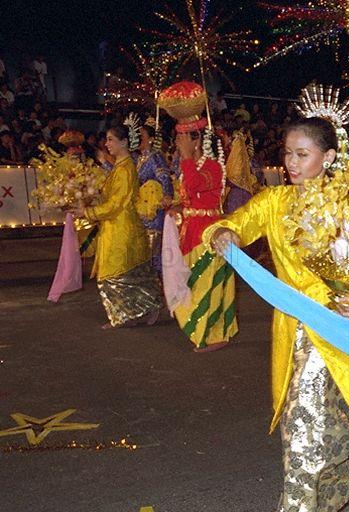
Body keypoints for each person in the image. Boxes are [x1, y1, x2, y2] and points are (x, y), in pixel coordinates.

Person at [206, 116, 349, 511]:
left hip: (336, 323)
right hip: (292, 323)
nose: (292, 162)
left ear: (329, 156)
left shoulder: (348, 204)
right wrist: (225, 233)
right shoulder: (275, 201)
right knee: (325, 411)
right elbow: (238, 223)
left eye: (302, 154)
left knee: (302, 422)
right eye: (288, 153)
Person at [158, 81, 238, 353]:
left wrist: (185, 157)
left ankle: (213, 335)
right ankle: (208, 331)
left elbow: (194, 186)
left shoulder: (213, 167)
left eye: (182, 138)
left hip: (208, 234)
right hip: (189, 232)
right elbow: (188, 196)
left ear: (195, 139)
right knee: (194, 283)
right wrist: (177, 207)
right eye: (178, 138)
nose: (178, 143)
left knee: (207, 285)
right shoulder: (189, 165)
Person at [70, 125, 163, 329]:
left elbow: (116, 204)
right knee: (125, 272)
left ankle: (123, 315)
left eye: (111, 140)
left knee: (113, 274)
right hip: (115, 226)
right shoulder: (120, 167)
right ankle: (145, 306)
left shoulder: (126, 169)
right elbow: (109, 198)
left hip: (122, 226)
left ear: (124, 142)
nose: (107, 144)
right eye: (107, 139)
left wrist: (88, 213)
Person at [136, 119, 173, 274]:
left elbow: (164, 177)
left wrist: (167, 195)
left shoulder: (154, 157)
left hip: (153, 204)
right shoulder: (140, 158)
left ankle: (156, 278)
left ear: (150, 139)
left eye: (142, 135)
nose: (139, 138)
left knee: (154, 243)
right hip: (142, 205)